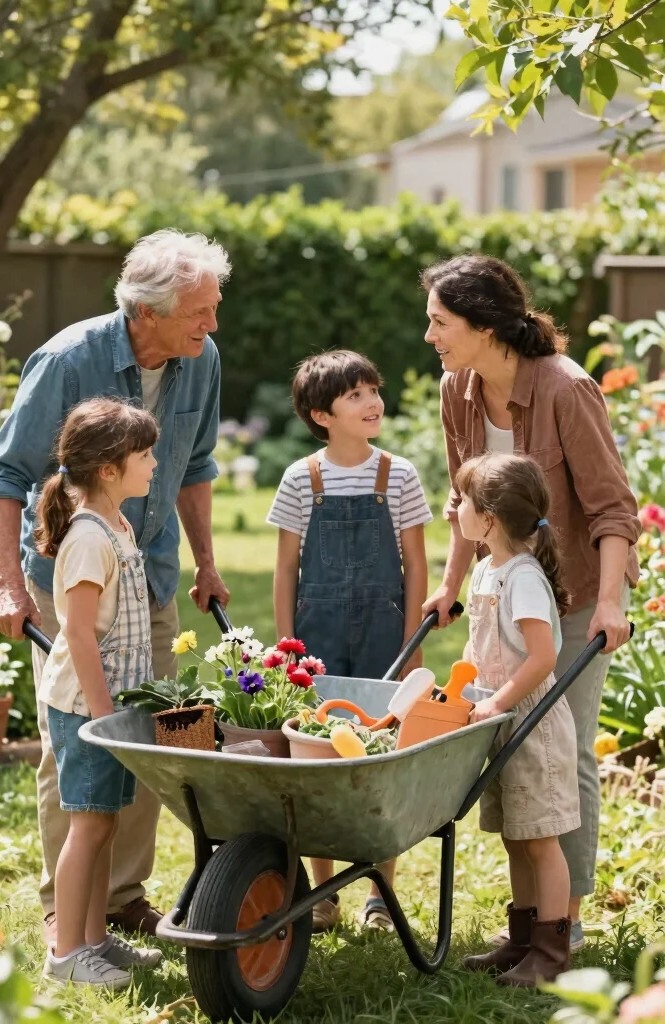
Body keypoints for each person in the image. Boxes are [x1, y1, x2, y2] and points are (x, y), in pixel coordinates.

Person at [0, 229, 231, 940]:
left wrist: (207, 562)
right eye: (199, 312)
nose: (212, 326)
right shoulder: (68, 360)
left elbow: (199, 464)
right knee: (76, 741)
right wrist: (8, 585)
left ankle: (120, 897)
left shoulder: (200, 359)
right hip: (74, 580)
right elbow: (4, 476)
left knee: (150, 734)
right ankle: (70, 904)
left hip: (147, 575)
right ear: (147, 312)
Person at [421, 255, 640, 951]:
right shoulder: (459, 387)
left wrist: (608, 604)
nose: (430, 336)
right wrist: (452, 583)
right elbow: (465, 496)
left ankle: (563, 926)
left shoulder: (565, 390)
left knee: (563, 753)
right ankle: (533, 925)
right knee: (513, 751)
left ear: (486, 325)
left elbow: (612, 510)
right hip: (502, 595)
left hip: (572, 594)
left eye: (440, 322)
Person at [267, 350, 431, 933]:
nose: (372, 403)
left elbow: (416, 564)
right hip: (318, 632)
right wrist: (286, 644)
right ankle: (322, 892)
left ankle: (380, 892)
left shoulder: (400, 474)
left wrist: (412, 642)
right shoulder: (300, 478)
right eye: (355, 395)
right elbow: (286, 569)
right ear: (321, 414)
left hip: (387, 629)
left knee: (381, 749)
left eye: (373, 390)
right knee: (318, 752)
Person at [36, 397, 163, 988]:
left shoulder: (118, 522)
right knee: (86, 827)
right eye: (145, 454)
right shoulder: (89, 538)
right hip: (87, 708)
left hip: (110, 706)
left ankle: (94, 939)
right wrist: (104, 714)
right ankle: (65, 954)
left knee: (105, 821)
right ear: (109, 469)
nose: (155, 463)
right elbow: (79, 633)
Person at [457, 453, 579, 986]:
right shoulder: (486, 568)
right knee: (515, 834)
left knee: (540, 838)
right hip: (499, 714)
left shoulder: (523, 577)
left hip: (533, 723)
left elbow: (543, 657)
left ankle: (552, 956)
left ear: (487, 517)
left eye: (461, 499)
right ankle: (523, 940)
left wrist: (498, 701)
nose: (452, 507)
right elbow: (480, 647)